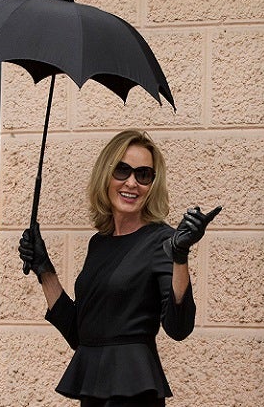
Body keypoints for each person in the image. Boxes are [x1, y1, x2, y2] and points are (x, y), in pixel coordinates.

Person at [18, 129, 221, 407]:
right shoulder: (99, 243)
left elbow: (178, 328)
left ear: (152, 184)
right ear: (106, 174)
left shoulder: (162, 241)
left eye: (143, 175)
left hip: (133, 394)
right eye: (122, 170)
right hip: (94, 394)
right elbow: (81, 335)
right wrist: (44, 268)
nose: (132, 182)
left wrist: (179, 256)